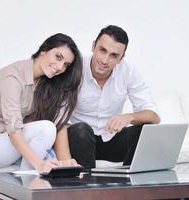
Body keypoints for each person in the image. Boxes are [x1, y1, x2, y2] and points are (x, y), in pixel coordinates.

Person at [0, 33, 83, 173]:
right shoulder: (12, 78)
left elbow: (58, 124)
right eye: (58, 57)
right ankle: (26, 187)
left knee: (54, 161)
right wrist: (39, 164)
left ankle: (15, 189)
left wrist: (63, 162)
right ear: (44, 50)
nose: (60, 67)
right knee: (47, 130)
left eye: (66, 64)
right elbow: (14, 133)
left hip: (10, 146)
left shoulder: (43, 82)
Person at [54, 25, 160, 169]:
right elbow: (59, 120)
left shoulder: (128, 72)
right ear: (93, 46)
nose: (105, 60)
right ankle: (86, 187)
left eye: (114, 55)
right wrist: (65, 165)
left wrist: (128, 117)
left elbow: (154, 116)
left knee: (145, 131)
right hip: (79, 140)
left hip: (111, 139)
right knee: (81, 130)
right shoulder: (74, 69)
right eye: (102, 50)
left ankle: (129, 185)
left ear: (121, 58)